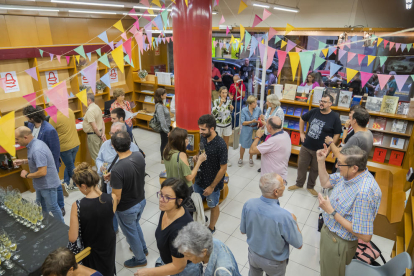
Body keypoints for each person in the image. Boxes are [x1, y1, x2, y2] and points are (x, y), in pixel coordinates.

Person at [316, 145, 381, 276]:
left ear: (354, 168)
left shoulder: (364, 193)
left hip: (339, 243)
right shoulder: (348, 175)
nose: (337, 166)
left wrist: (331, 211)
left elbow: (365, 236)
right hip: (329, 234)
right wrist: (321, 161)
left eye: (340, 163)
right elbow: (326, 182)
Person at [134, 178, 202, 276]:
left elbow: (179, 266)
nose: (161, 200)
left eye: (167, 197)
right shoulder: (167, 209)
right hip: (170, 260)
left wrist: (148, 272)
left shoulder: (180, 231)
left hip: (184, 270)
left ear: (179, 201)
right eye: (161, 194)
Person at [241, 173, 303, 276]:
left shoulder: (249, 204)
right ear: (276, 192)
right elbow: (299, 244)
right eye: (283, 184)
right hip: (274, 263)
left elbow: (243, 231)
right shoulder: (285, 217)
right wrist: (294, 221)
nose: (284, 185)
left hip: (253, 256)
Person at [288, 94, 342, 196]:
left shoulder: (335, 117)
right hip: (306, 146)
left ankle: (310, 186)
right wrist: (302, 133)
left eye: (324, 102)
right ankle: (299, 184)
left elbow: (336, 134)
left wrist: (330, 148)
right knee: (301, 166)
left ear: (330, 104)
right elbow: (302, 118)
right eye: (321, 101)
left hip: (321, 150)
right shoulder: (314, 111)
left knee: (315, 169)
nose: (321, 103)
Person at [69, 163, 116, 276]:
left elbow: (72, 237)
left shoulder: (77, 206)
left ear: (84, 186)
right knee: (108, 267)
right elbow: (106, 218)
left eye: (78, 186)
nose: (79, 189)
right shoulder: (112, 198)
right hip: (108, 242)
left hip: (92, 247)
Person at [110, 131, 147, 268]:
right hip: (141, 200)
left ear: (113, 146)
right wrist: (114, 178)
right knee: (135, 225)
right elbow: (133, 173)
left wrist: (110, 212)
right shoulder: (139, 156)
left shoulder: (117, 169)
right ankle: (143, 248)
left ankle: (140, 258)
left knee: (130, 233)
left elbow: (116, 197)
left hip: (127, 207)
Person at [13, 126, 64, 222]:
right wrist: (24, 161)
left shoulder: (37, 149)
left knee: (53, 207)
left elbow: (42, 172)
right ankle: (45, 222)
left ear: (25, 137)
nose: (16, 142)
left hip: (47, 184)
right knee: (40, 204)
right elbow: (37, 160)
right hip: (41, 184)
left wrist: (27, 175)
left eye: (17, 139)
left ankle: (64, 230)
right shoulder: (35, 144)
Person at [96, 122, 140, 233]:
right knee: (111, 209)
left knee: (127, 218)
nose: (113, 136)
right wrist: (101, 167)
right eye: (111, 133)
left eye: (117, 133)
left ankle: (133, 237)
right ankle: (114, 229)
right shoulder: (105, 145)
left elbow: (136, 170)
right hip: (108, 185)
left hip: (125, 190)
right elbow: (99, 159)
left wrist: (117, 176)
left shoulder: (133, 148)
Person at [23, 105, 67, 214]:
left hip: (50, 164)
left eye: (27, 117)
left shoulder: (49, 130)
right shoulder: (30, 126)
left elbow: (55, 152)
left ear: (32, 117)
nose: (26, 120)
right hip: (39, 163)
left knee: (56, 185)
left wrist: (52, 168)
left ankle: (61, 206)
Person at [193, 115, 227, 233]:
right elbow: (201, 152)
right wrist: (197, 158)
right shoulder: (203, 137)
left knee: (213, 206)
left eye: (203, 129)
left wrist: (212, 187)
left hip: (212, 183)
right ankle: (201, 219)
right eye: (200, 128)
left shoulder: (221, 145)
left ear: (212, 128)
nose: (200, 131)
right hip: (199, 180)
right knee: (195, 202)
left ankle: (211, 227)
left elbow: (223, 168)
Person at [173, 221, 241, 276]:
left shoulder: (222, 272)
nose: (186, 258)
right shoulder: (207, 241)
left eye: (188, 255)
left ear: (203, 252)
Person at [50, 108, 80, 191]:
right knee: (70, 164)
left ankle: (78, 183)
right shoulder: (70, 110)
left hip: (65, 147)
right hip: (75, 143)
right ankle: (66, 183)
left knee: (70, 166)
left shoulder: (54, 117)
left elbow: (50, 133)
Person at [212, 86, 234, 167]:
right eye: (223, 93)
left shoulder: (229, 101)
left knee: (226, 143)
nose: (224, 94)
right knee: (217, 142)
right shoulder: (216, 101)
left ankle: (225, 158)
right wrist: (220, 104)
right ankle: (217, 159)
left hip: (227, 124)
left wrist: (231, 109)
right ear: (219, 93)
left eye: (226, 93)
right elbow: (214, 113)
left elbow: (229, 113)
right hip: (218, 125)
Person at [238, 95, 261, 167]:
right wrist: (251, 121)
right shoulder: (244, 110)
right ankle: (241, 158)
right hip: (246, 129)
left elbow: (260, 118)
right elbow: (243, 122)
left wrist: (260, 120)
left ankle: (251, 158)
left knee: (252, 144)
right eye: (254, 102)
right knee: (243, 145)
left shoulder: (258, 109)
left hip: (254, 129)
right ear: (250, 104)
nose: (256, 104)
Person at [83, 93, 106, 161]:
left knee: (96, 158)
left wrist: (100, 136)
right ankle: (104, 171)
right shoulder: (97, 107)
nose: (82, 102)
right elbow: (102, 122)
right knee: (102, 156)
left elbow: (95, 127)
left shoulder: (90, 111)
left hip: (94, 135)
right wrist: (103, 134)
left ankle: (100, 171)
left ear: (89, 100)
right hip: (100, 133)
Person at [155, 88, 171, 164]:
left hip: (166, 127)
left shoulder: (162, 104)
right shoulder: (159, 106)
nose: (166, 94)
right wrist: (167, 131)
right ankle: (163, 159)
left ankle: (165, 157)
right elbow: (162, 120)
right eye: (164, 93)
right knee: (164, 143)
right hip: (164, 128)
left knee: (166, 142)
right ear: (161, 96)